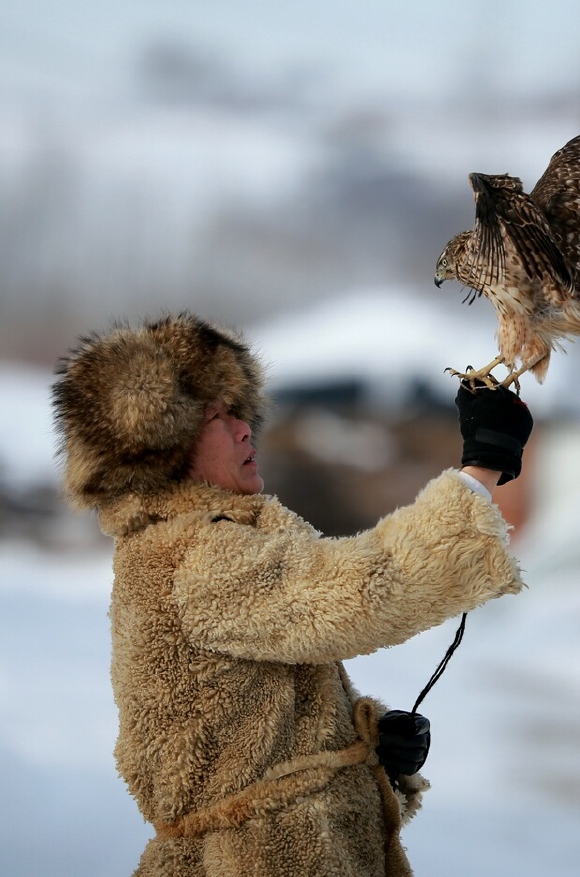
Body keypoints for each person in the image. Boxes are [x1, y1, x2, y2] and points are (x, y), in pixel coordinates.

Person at [52, 311, 533, 877]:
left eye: (241, 412)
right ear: (162, 442)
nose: (243, 429)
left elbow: (262, 723)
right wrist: (480, 469)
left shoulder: (200, 544)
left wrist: (372, 750)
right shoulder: (196, 556)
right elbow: (363, 589)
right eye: (217, 416)